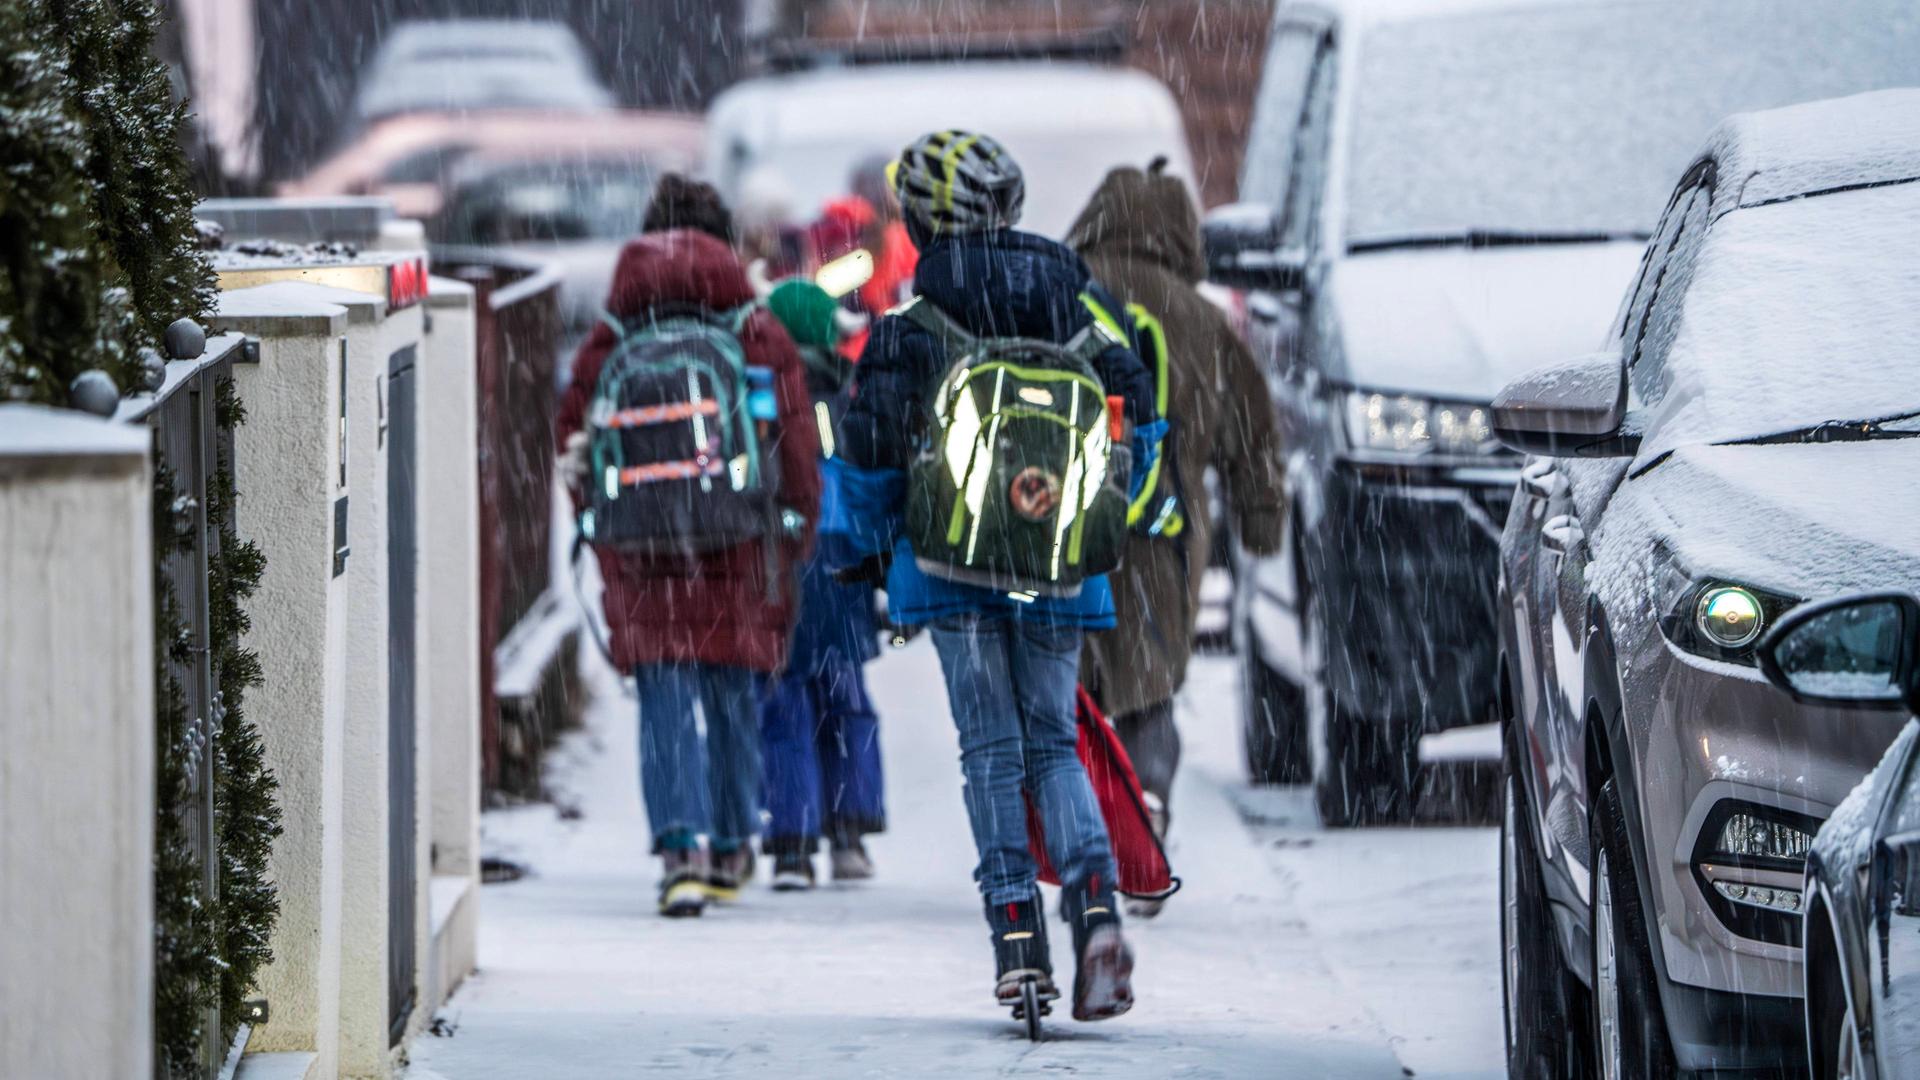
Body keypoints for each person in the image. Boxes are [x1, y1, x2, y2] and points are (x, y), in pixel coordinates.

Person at [837, 130, 1161, 1022]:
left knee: (990, 752)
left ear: (923, 219)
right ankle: (1095, 907)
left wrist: (854, 549)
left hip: (951, 566)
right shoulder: (1074, 299)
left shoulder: (911, 322)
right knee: (1054, 743)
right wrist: (1104, 515)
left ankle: (1017, 941)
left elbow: (866, 459)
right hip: (1058, 564)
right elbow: (1142, 411)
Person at [556, 175, 820, 917]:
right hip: (738, 535)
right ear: (723, 240)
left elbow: (573, 436)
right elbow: (795, 437)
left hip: (640, 545)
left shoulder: (614, 334)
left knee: (666, 690)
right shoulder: (754, 328)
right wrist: (795, 522)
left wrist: (606, 521)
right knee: (732, 686)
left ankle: (680, 850)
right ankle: (735, 843)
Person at [1066, 160, 1287, 918]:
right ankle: (1149, 800)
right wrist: (1262, 519)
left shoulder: (1066, 291)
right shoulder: (1200, 319)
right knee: (1150, 681)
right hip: (1164, 535)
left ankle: (1085, 821)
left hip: (1067, 528)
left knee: (1076, 678)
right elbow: (1253, 436)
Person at [756, 277, 888, 889]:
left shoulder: (764, 393)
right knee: (843, 696)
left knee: (783, 698)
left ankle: (791, 841)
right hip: (840, 553)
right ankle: (850, 832)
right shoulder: (846, 390)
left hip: (782, 552)